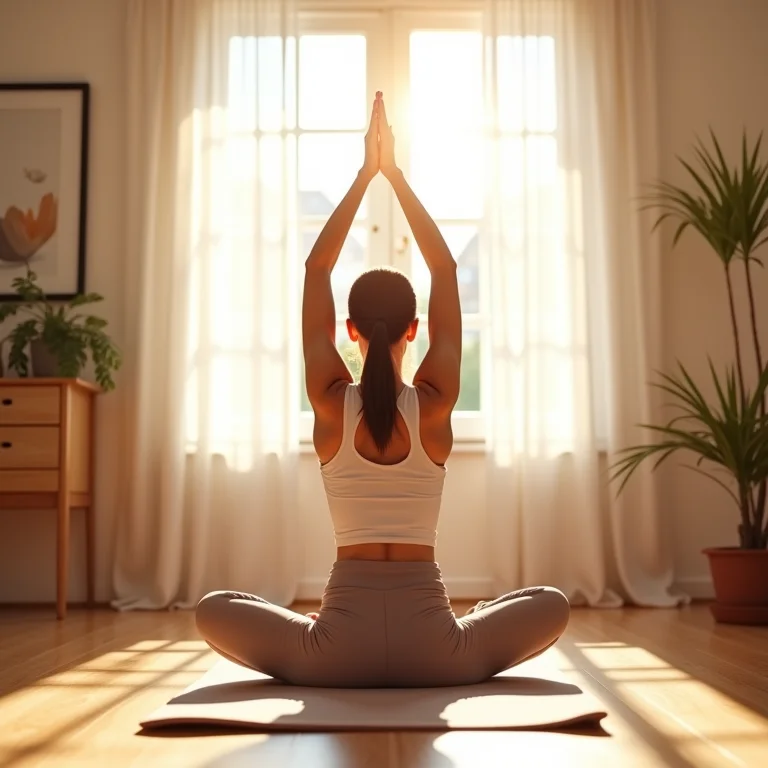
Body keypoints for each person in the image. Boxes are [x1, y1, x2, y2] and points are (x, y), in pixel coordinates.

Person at [195, 92, 570, 688]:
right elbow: (446, 271)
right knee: (551, 601)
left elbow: (316, 270)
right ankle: (456, 638)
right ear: (413, 330)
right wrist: (394, 175)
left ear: (349, 330)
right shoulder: (437, 403)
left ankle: (319, 644)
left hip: (335, 652)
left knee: (212, 608)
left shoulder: (327, 401)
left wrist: (364, 175)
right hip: (440, 654)